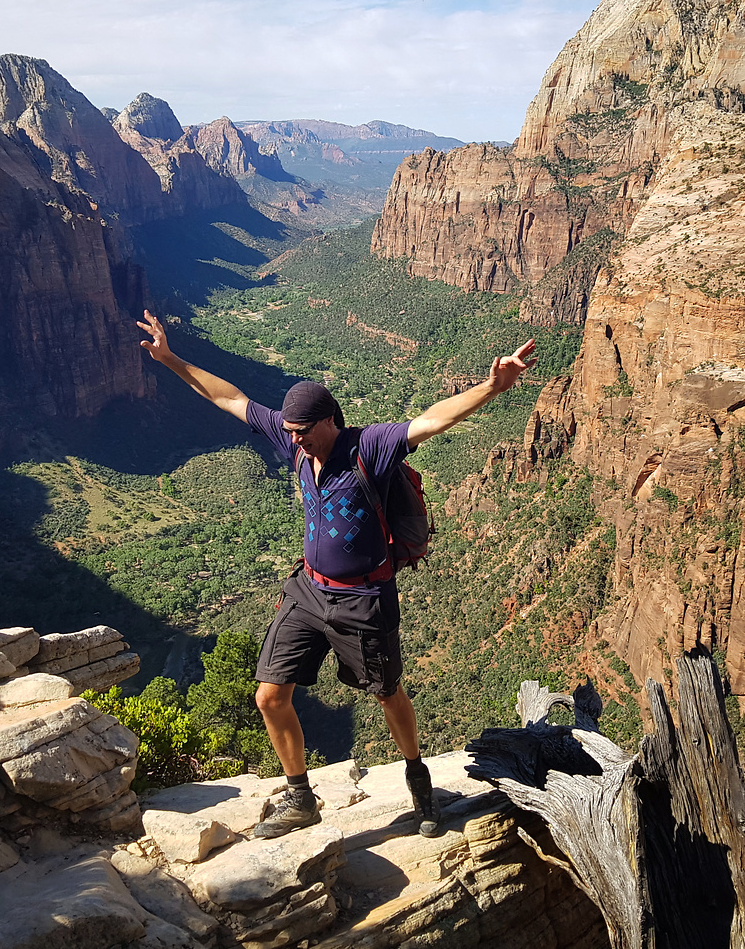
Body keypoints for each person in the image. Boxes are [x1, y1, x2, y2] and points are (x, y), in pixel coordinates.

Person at [137, 309, 536, 838]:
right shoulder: (291, 440)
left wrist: (491, 387)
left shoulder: (367, 446)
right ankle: (300, 797)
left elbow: (433, 420)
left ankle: (419, 781)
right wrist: (169, 359)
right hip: (308, 590)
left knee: (388, 694)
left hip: (364, 599)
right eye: (290, 432)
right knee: (269, 696)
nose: (295, 441)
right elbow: (228, 397)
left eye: (303, 431)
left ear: (329, 420)